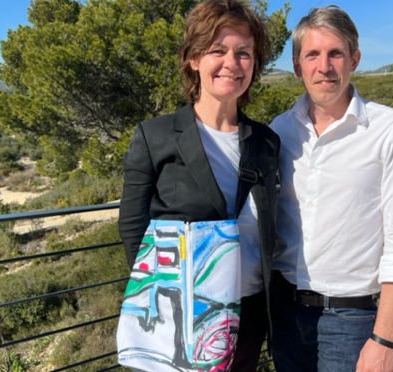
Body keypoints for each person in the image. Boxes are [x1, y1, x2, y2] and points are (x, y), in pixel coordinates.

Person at [118, 0, 279, 370]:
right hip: (180, 311)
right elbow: (131, 225)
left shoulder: (267, 142)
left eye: (244, 53)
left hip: (251, 309)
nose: (232, 63)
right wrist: (160, 296)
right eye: (217, 50)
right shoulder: (154, 136)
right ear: (193, 59)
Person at [269, 5, 393, 372]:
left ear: (354, 60)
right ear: (297, 67)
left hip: (351, 320)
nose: (324, 66)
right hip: (284, 313)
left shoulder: (392, 129)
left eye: (335, 53)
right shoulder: (278, 131)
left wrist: (384, 339)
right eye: (313, 54)